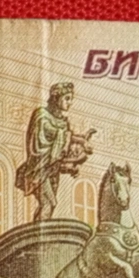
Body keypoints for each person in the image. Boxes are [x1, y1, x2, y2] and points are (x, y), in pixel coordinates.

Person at [15, 82, 95, 221]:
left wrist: (79, 145)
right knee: (49, 203)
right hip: (39, 168)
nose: (70, 103)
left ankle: (37, 228)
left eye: (71, 99)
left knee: (47, 205)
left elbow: (63, 144)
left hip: (52, 169)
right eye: (67, 98)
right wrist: (81, 141)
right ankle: (39, 232)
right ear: (56, 98)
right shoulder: (41, 115)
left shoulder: (63, 121)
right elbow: (50, 136)